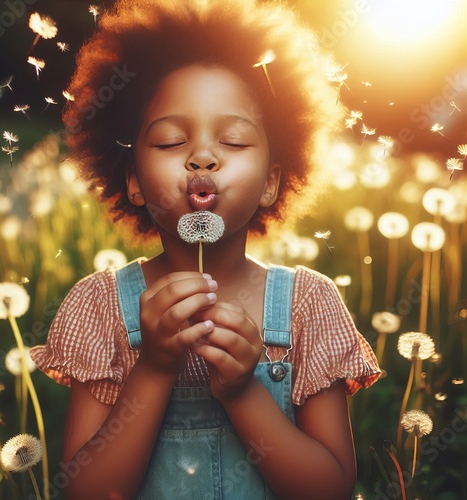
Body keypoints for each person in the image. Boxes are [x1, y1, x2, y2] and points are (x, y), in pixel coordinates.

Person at [30, 0, 380, 498]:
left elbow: (330, 489)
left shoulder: (308, 305)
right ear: (131, 181)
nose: (202, 157)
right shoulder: (99, 307)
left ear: (271, 183)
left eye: (234, 141)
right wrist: (151, 368)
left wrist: (243, 393)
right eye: (171, 141)